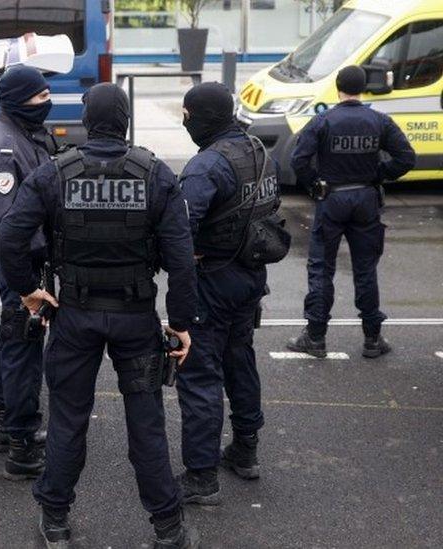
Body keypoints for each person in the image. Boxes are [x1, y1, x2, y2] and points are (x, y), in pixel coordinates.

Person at [0, 83, 200, 548]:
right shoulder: (155, 174)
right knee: (146, 422)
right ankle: (168, 528)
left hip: (75, 317)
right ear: (125, 120)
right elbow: (182, 260)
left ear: (88, 122)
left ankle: (56, 522)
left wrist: (29, 291)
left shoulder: (55, 173)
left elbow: (10, 237)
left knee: (68, 418)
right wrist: (181, 324)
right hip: (135, 317)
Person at [175, 82, 280, 506]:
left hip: (214, 280)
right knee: (240, 358)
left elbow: (179, 229)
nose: (184, 122)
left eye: (187, 115)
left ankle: (201, 476)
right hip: (250, 275)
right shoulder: (258, 150)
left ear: (202, 116)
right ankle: (245, 449)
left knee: (200, 374)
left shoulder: (207, 166)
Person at [287, 65, 415, 358]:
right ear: (363, 89)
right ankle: (372, 338)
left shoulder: (323, 121)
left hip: (332, 199)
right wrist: (377, 173)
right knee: (365, 269)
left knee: (322, 269)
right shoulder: (379, 121)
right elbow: (406, 158)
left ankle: (315, 337)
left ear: (338, 87)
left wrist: (314, 184)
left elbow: (298, 160)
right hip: (366, 199)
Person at [0, 65, 53, 480]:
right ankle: (20, 441)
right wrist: (26, 286)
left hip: (20, 261)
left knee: (13, 342)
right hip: (18, 264)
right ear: (19, 100)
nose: (47, 102)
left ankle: (7, 424)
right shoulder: (3, 147)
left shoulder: (19, 134)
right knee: (22, 345)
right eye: (40, 97)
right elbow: (7, 230)